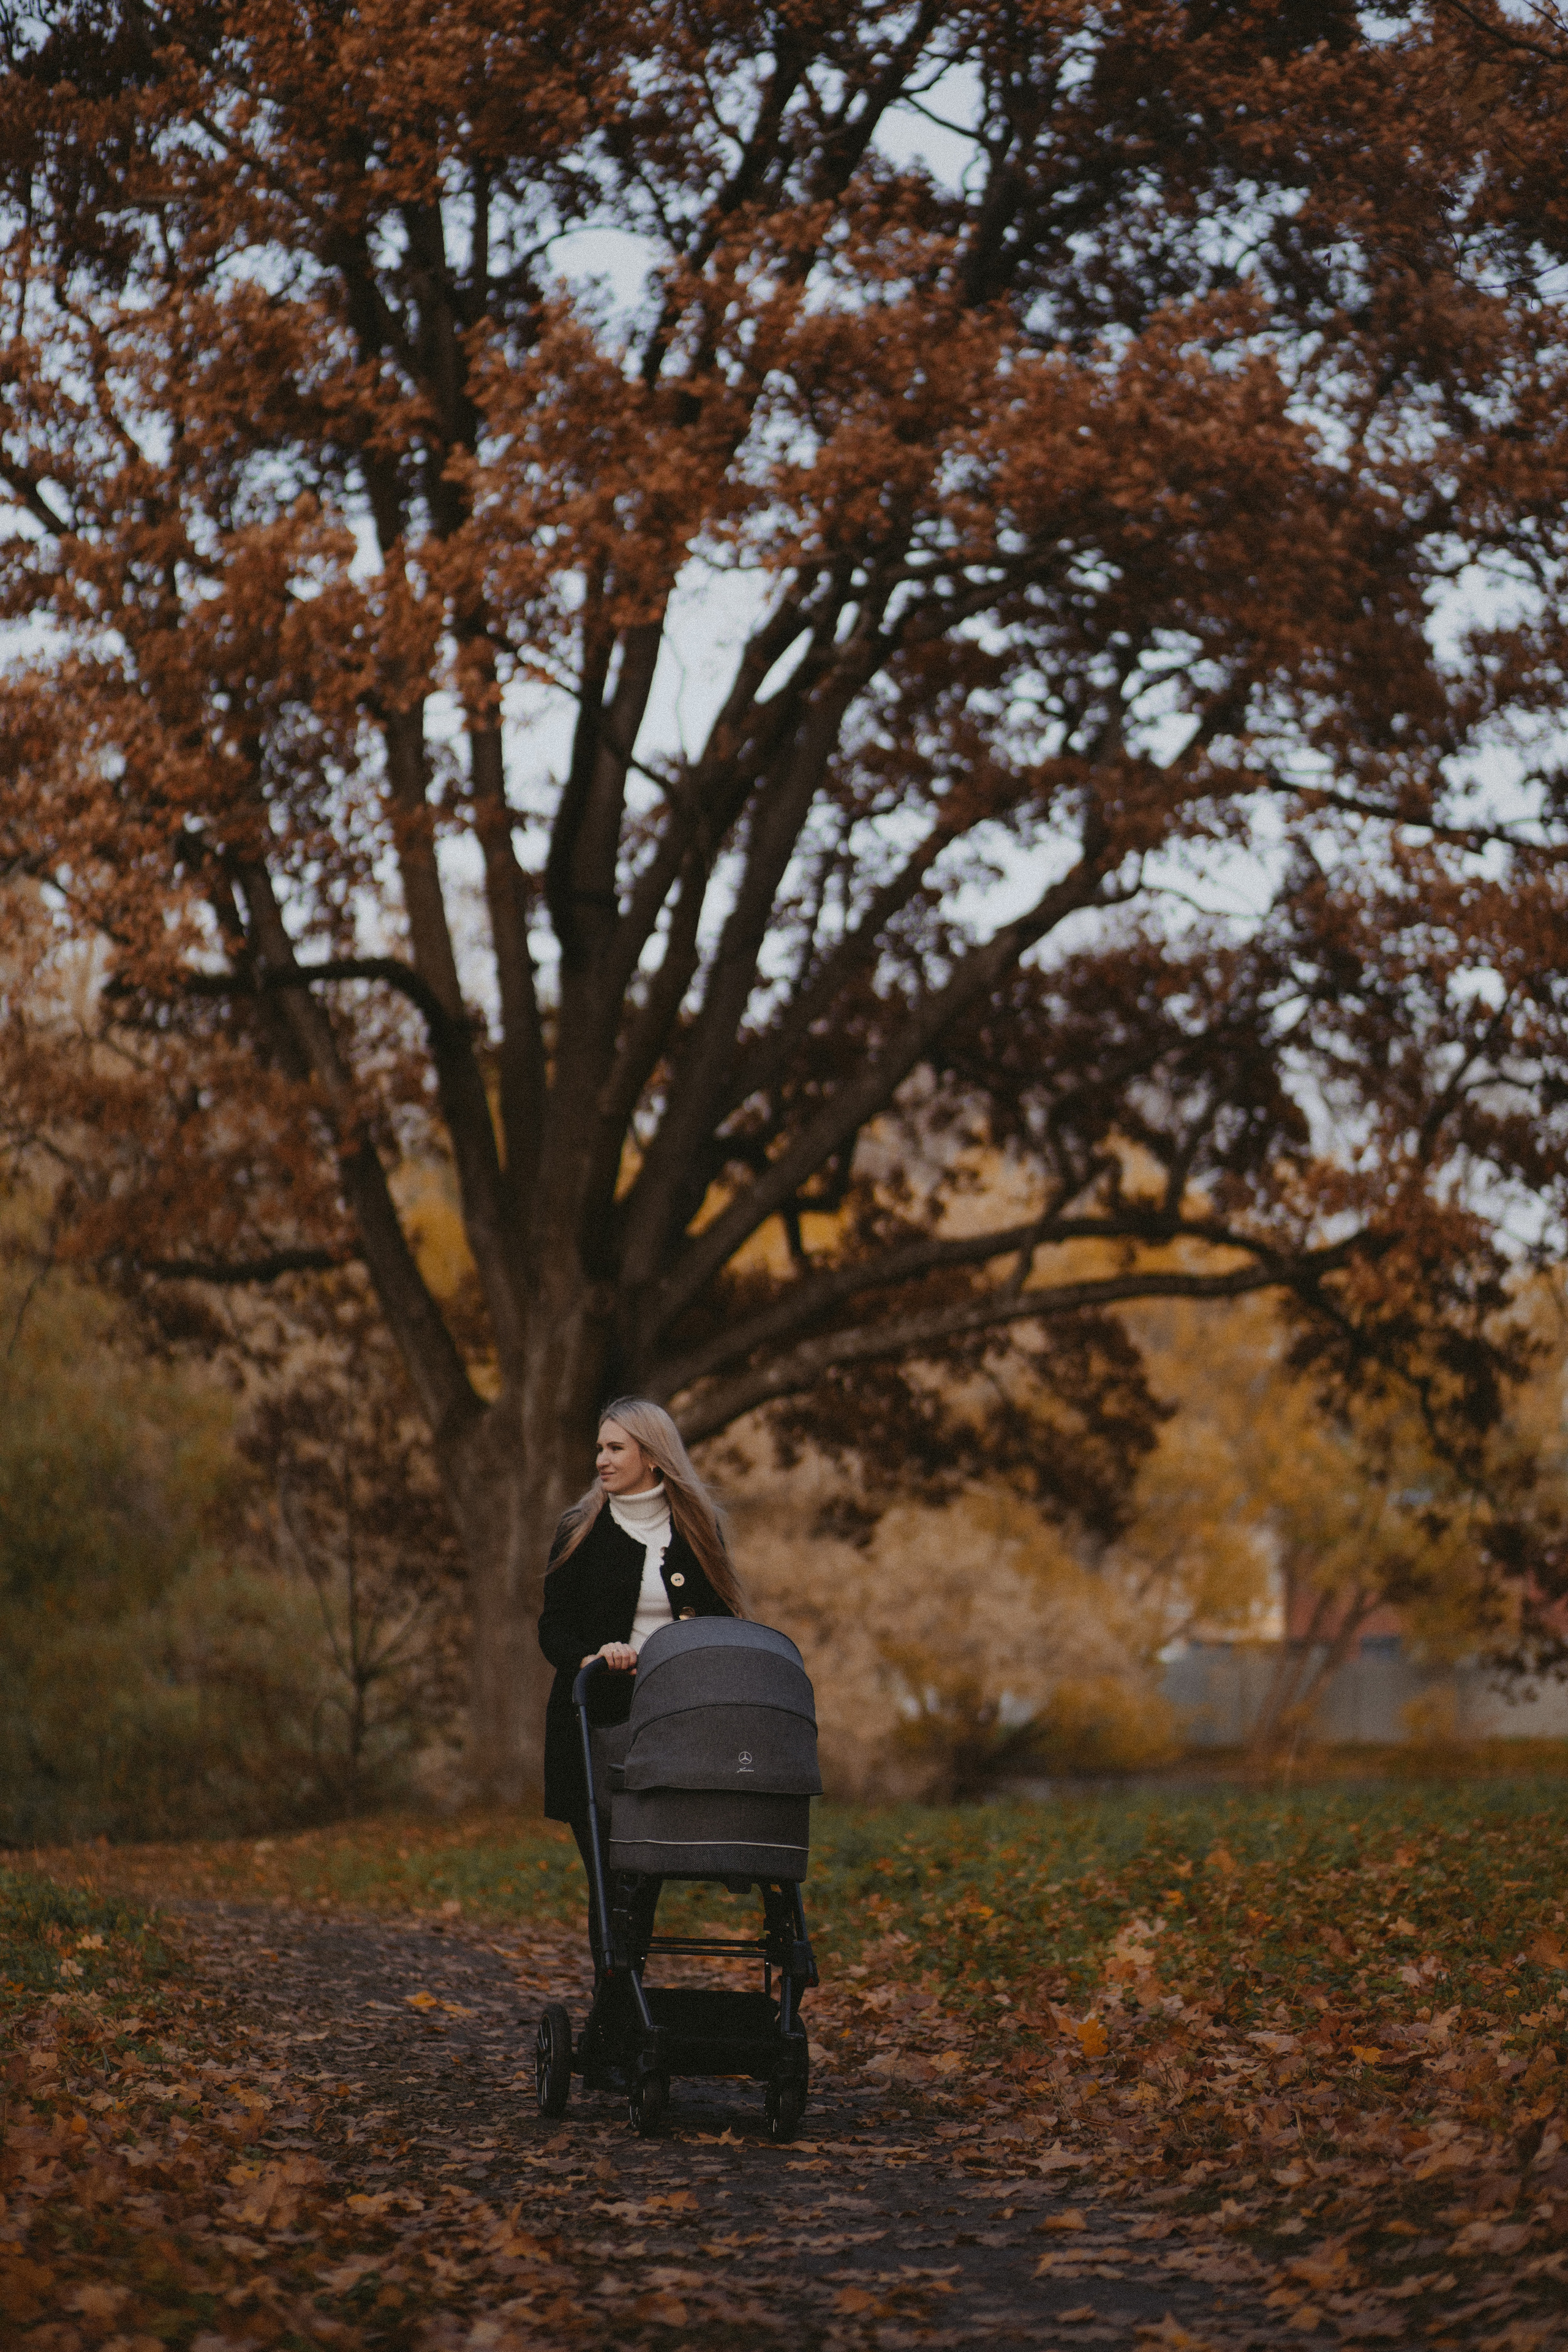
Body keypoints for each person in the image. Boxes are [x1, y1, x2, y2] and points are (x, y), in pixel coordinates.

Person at [537, 1397, 746, 1944]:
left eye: (615, 1448)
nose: (601, 1460)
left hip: (673, 1726)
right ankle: (616, 2008)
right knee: (609, 1877)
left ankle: (627, 2002)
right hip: (594, 1724)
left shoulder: (700, 1528)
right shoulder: (579, 1529)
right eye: (599, 1449)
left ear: (652, 1457)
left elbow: (723, 1620)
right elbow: (552, 1627)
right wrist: (591, 1658)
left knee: (645, 1873)